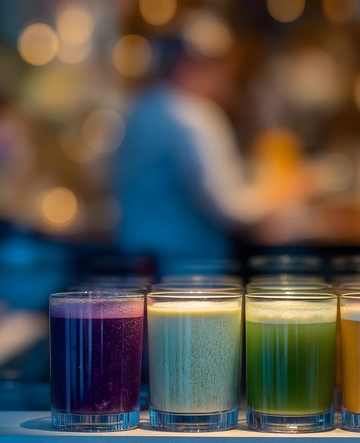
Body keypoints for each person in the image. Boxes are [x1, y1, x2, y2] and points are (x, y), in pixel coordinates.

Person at [113, 34, 310, 271]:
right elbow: (229, 208)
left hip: (136, 258)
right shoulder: (196, 117)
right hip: (191, 269)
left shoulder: (138, 109)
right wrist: (283, 191)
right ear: (189, 66)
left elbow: (107, 179)